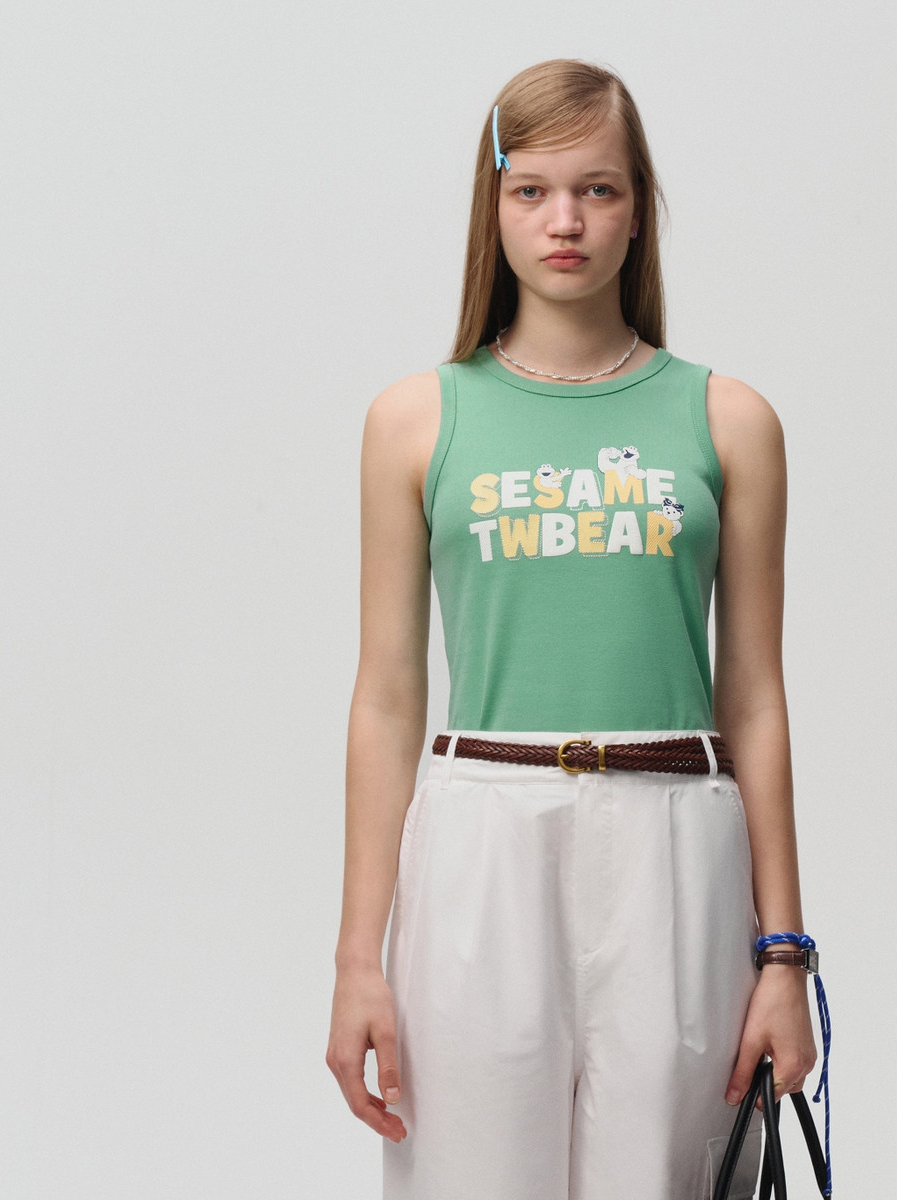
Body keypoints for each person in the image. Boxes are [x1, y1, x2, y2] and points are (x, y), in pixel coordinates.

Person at [326, 58, 820, 1200]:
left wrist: (784, 953)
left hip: (676, 836)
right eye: (533, 190)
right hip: (482, 831)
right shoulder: (417, 420)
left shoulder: (728, 420)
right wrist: (358, 957)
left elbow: (754, 697)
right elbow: (387, 696)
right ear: (493, 206)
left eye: (599, 189)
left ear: (638, 209)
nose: (566, 221)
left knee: (669, 1178)